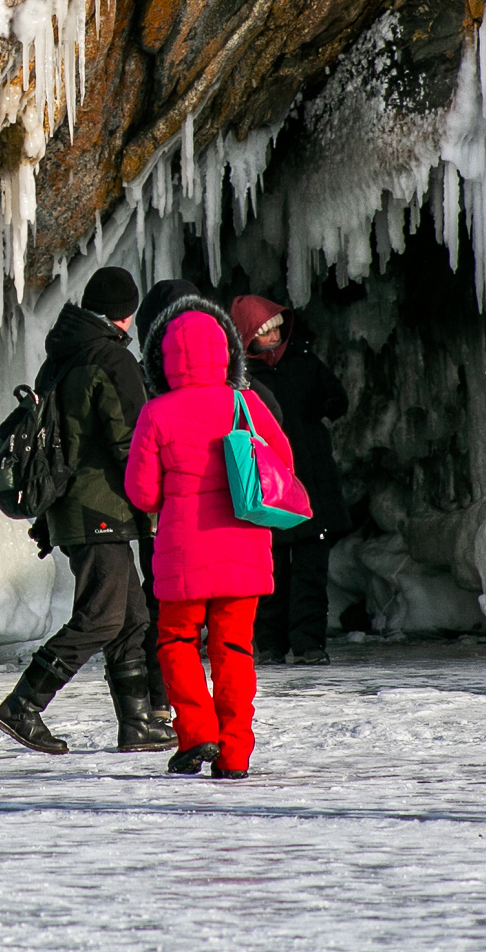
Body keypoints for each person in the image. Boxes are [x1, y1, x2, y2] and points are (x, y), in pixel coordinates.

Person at [0, 265, 174, 755]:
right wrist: (158, 494)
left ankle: (137, 723)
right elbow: (130, 441)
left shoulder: (62, 355)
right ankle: (23, 705)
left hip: (70, 507)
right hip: (101, 508)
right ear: (126, 315)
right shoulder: (110, 360)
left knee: (131, 617)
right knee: (102, 616)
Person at [126, 297, 293, 779]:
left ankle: (197, 732)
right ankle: (235, 754)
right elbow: (281, 465)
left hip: (183, 554)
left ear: (166, 360)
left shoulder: (157, 413)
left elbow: (142, 492)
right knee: (234, 650)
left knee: (176, 639)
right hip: (244, 551)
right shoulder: (246, 402)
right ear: (225, 353)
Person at [231, 296, 351, 665]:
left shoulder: (304, 362)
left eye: (275, 330)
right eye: (262, 333)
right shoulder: (242, 379)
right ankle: (269, 642)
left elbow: (338, 400)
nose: (271, 338)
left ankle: (308, 643)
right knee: (272, 571)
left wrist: (324, 404)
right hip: (269, 485)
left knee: (312, 570)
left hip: (312, 482)